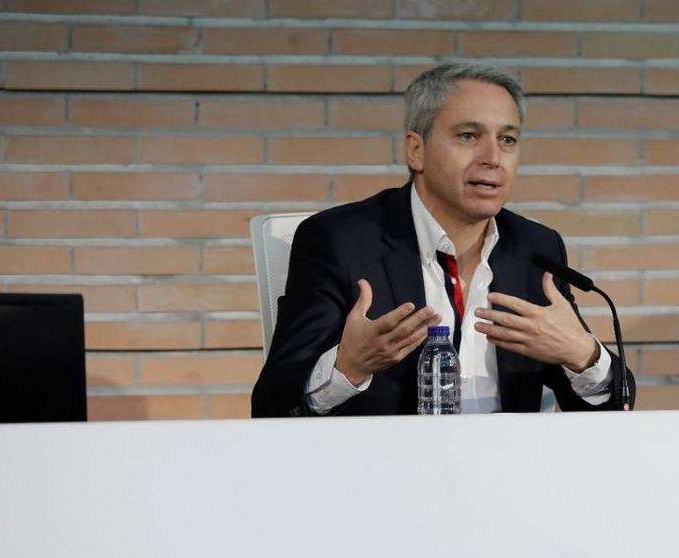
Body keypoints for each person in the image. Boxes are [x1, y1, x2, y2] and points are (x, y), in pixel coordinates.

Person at [252, 63, 634, 417]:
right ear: (416, 150)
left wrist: (583, 356)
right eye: (469, 136)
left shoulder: (535, 249)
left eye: (508, 140)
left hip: (506, 471)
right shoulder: (339, 241)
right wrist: (347, 367)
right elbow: (273, 406)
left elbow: (609, 416)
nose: (493, 158)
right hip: (380, 473)